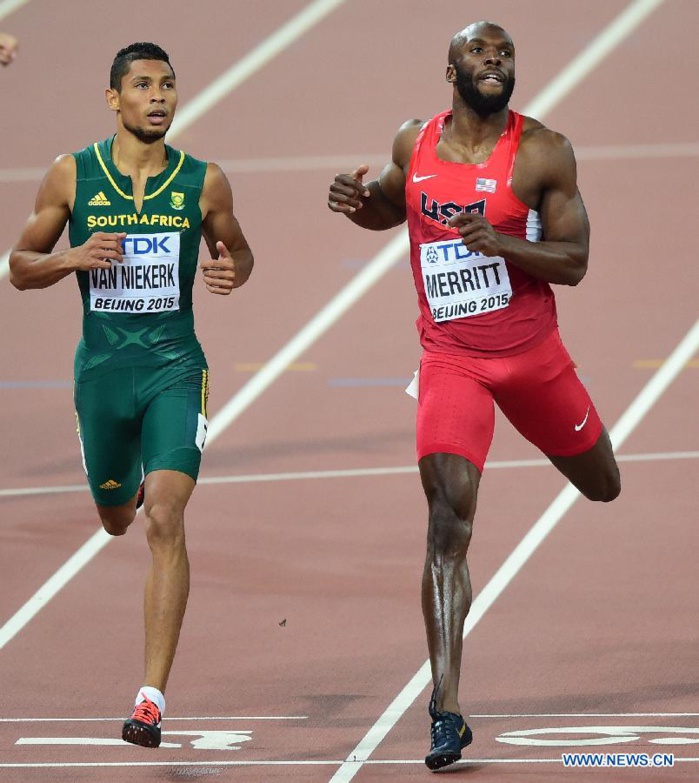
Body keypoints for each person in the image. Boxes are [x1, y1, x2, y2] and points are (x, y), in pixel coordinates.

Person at [328, 20, 620, 772]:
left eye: (505, 53)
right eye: (478, 53)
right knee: (446, 519)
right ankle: (446, 709)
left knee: (602, 484)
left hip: (531, 359)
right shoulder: (413, 143)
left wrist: (503, 244)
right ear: (450, 68)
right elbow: (393, 207)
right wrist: (356, 204)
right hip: (450, 360)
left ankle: (446, 704)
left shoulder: (542, 151)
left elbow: (575, 260)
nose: (494, 61)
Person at [10, 42, 253, 748]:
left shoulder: (203, 182)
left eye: (168, 85)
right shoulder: (72, 176)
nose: (159, 97)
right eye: (143, 85)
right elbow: (20, 267)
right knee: (118, 517)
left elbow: (238, 248)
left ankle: (149, 698)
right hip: (102, 378)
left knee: (164, 517)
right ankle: (121, 478)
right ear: (113, 99)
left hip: (175, 368)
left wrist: (231, 268)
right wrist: (71, 258)